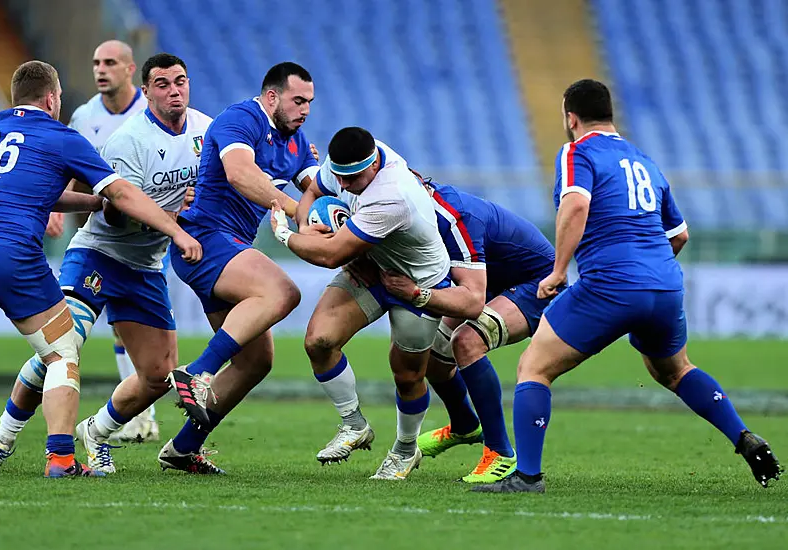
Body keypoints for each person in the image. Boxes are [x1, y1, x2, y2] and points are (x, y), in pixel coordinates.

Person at [472, 79, 782, 494]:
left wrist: (559, 270)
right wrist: (648, 274)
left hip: (611, 283)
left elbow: (576, 203)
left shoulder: (576, 151)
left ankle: (527, 476)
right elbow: (680, 235)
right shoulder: (644, 160)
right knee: (674, 371)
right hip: (666, 285)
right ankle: (743, 435)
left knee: (534, 367)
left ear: (571, 117)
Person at [0, 53, 211, 475]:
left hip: (146, 265)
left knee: (158, 375)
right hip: (97, 254)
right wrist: (176, 225)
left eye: (181, 81)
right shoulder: (122, 139)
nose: (174, 90)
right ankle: (4, 440)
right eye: (163, 83)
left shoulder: (205, 130)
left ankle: (95, 432)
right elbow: (117, 208)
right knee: (63, 348)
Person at [271, 127, 478, 480]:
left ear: (374, 165)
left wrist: (286, 234)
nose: (346, 185)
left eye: (353, 178)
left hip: (416, 282)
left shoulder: (391, 195)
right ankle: (354, 425)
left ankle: (406, 449)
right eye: (341, 176)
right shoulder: (349, 161)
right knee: (319, 341)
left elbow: (332, 256)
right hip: (372, 266)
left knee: (407, 373)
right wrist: (306, 224)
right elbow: (314, 191)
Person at [159, 62, 318, 474]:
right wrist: (291, 208)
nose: (304, 110)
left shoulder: (296, 142)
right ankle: (197, 372)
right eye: (297, 100)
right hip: (206, 240)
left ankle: (180, 448)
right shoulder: (241, 118)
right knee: (283, 292)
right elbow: (239, 173)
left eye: (309, 103)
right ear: (271, 97)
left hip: (229, 248)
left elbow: (317, 192)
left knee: (256, 361)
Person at [377, 173, 560, 483]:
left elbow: (471, 297)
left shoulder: (454, 216)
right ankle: (464, 425)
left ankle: (500, 453)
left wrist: (415, 294)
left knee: (466, 342)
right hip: (494, 284)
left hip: (536, 284)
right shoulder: (413, 214)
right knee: (434, 355)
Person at [53, 39, 158, 442]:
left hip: (144, 241)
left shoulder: (149, 114)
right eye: (96, 62)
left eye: (110, 62)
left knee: (126, 328)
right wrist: (51, 210)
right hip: (97, 236)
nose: (101, 69)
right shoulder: (84, 116)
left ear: (131, 69)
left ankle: (139, 416)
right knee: (75, 331)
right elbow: (67, 169)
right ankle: (137, 417)